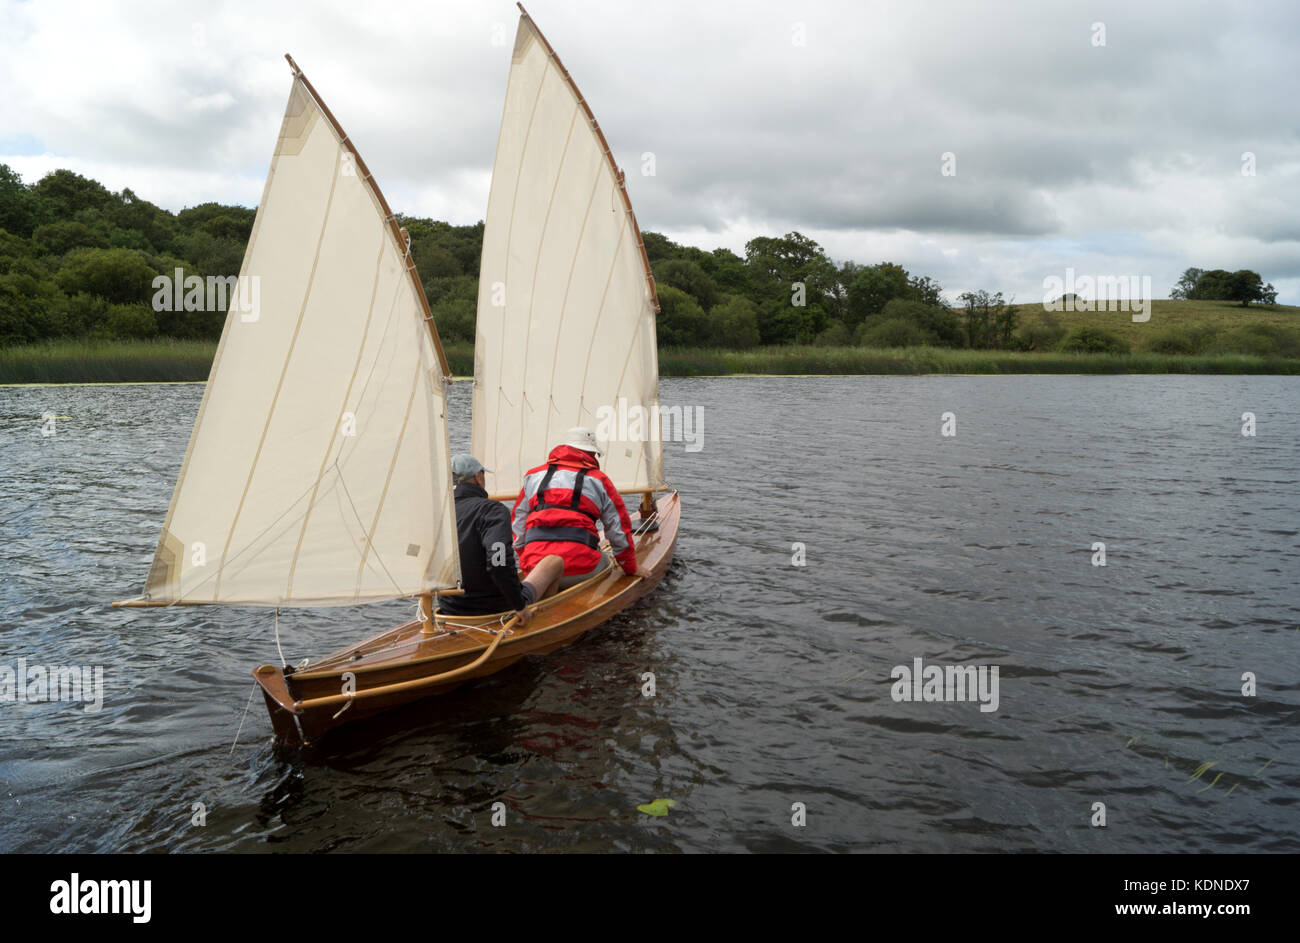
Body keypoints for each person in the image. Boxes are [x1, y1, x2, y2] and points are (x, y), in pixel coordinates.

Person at [439, 454, 563, 625]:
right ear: (478, 477)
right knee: (554, 562)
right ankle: (543, 625)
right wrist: (519, 606)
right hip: (494, 608)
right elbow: (499, 563)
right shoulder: (492, 510)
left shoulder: (439, 513)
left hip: (449, 609)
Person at [512, 427, 638, 588]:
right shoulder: (599, 480)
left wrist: (526, 556)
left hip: (534, 568)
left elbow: (517, 523)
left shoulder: (532, 476)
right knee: (607, 563)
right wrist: (630, 567)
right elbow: (617, 527)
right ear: (591, 454)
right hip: (582, 569)